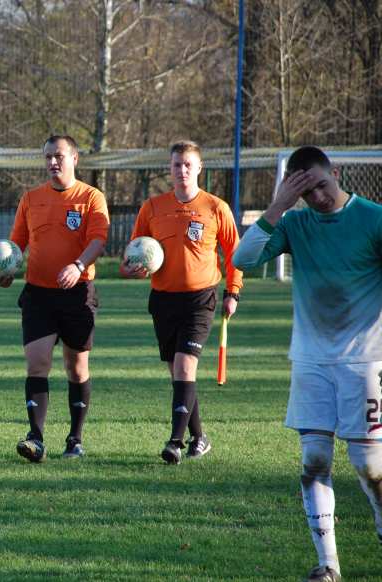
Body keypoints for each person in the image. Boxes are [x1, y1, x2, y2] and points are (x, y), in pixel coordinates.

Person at [233, 146, 382, 582]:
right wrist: (278, 205)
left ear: (335, 172)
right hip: (311, 361)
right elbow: (243, 259)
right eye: (306, 190)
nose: (317, 196)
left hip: (366, 362)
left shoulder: (373, 218)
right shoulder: (294, 223)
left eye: (321, 184)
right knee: (314, 461)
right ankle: (328, 565)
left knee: (370, 469)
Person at [120, 140, 242, 465]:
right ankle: (199, 438)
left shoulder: (216, 207)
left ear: (200, 168)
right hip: (162, 300)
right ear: (170, 168)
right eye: (177, 164)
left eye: (188, 164)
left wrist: (234, 291)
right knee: (178, 373)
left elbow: (235, 254)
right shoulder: (153, 207)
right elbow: (131, 255)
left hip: (201, 298)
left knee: (186, 366)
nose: (182, 170)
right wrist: (132, 268)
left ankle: (175, 441)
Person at [0, 135, 109, 462]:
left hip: (78, 294)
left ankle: (75, 438)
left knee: (76, 366)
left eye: (58, 155)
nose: (52, 162)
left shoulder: (91, 197)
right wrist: (7, 270)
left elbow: (99, 239)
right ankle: (36, 437)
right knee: (37, 362)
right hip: (38, 295)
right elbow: (16, 244)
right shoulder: (31, 199)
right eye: (47, 157)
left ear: (74, 158)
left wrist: (78, 265)